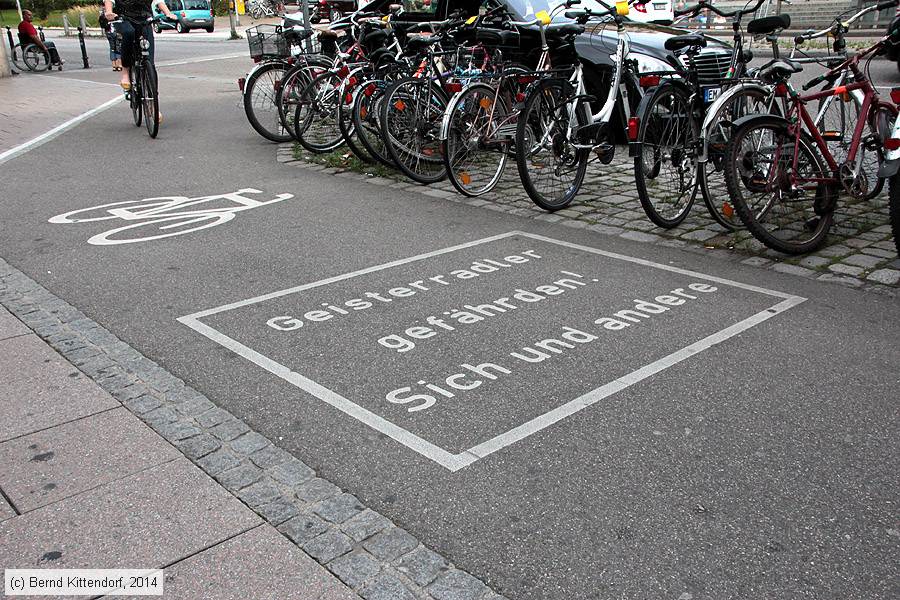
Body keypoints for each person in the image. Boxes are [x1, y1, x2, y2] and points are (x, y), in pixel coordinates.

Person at [103, 0, 177, 90]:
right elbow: (109, 1)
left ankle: (153, 94)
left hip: (144, 18)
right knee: (129, 32)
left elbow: (159, 1)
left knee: (149, 57)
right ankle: (125, 72)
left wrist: (168, 13)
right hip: (123, 18)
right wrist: (109, 12)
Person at [98, 1, 122, 71]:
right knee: (118, 47)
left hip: (108, 31)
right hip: (115, 30)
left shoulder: (103, 13)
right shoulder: (115, 11)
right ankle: (119, 64)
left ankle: (114, 65)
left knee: (112, 48)